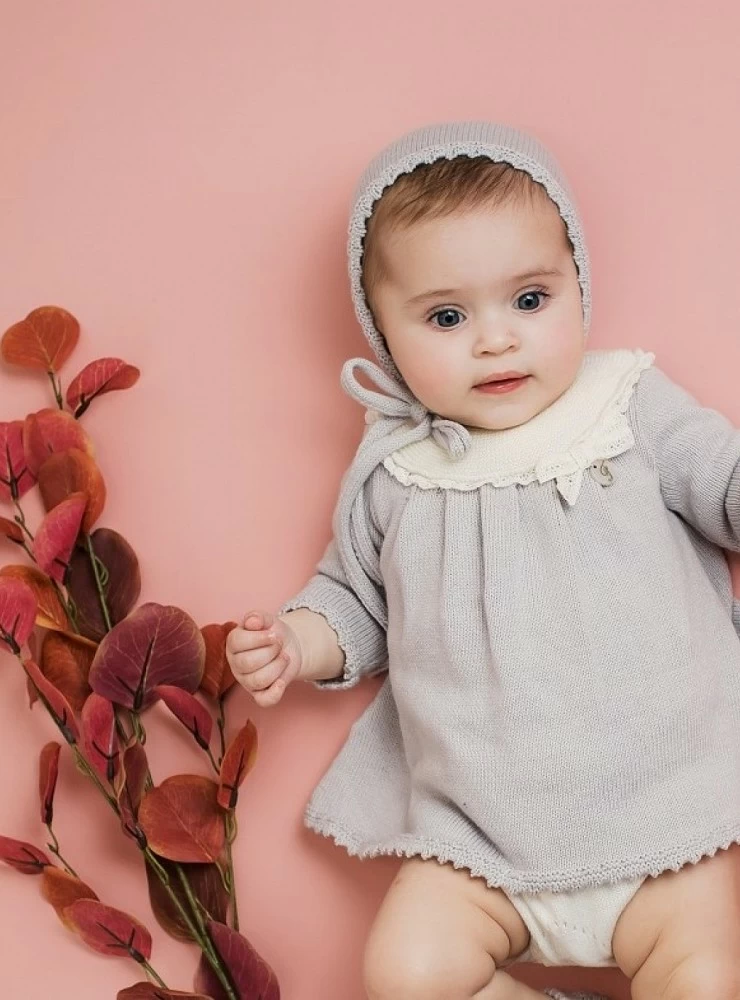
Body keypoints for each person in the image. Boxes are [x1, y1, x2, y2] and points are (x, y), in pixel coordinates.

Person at [225, 122, 740, 999]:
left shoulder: (626, 402)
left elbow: (719, 482)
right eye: (447, 317)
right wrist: (296, 641)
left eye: (530, 301)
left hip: (670, 814)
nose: (495, 341)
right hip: (480, 844)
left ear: (578, 281)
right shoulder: (395, 473)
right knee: (405, 973)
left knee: (704, 975)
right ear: (383, 333)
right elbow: (355, 600)